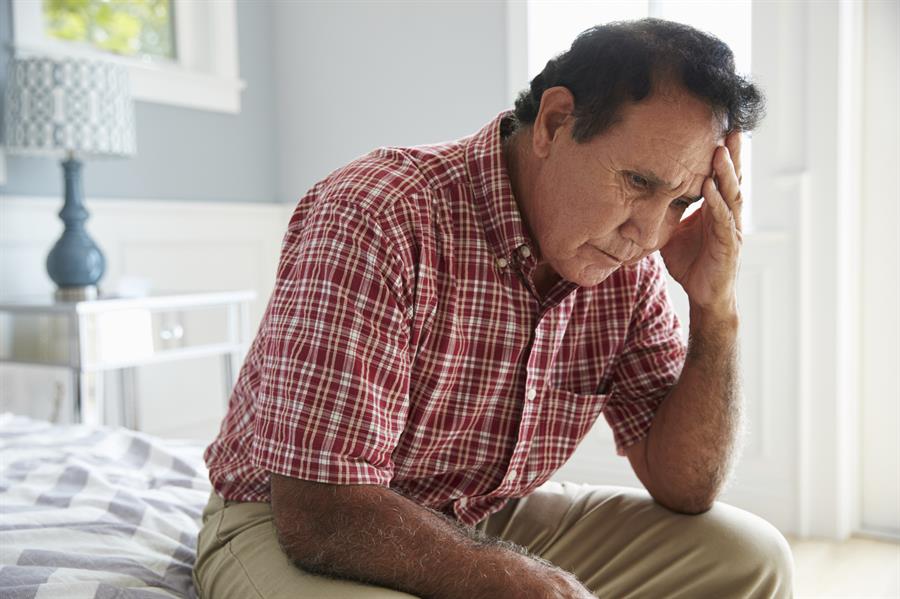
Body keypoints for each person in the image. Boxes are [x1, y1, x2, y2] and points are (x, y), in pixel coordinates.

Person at [193, 18, 793, 599]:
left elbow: (684, 487)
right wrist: (511, 582)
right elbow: (317, 510)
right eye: (638, 182)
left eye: (680, 202)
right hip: (288, 520)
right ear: (556, 123)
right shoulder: (378, 215)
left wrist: (716, 307)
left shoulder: (624, 261)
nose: (649, 233)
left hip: (476, 515)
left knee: (749, 559)